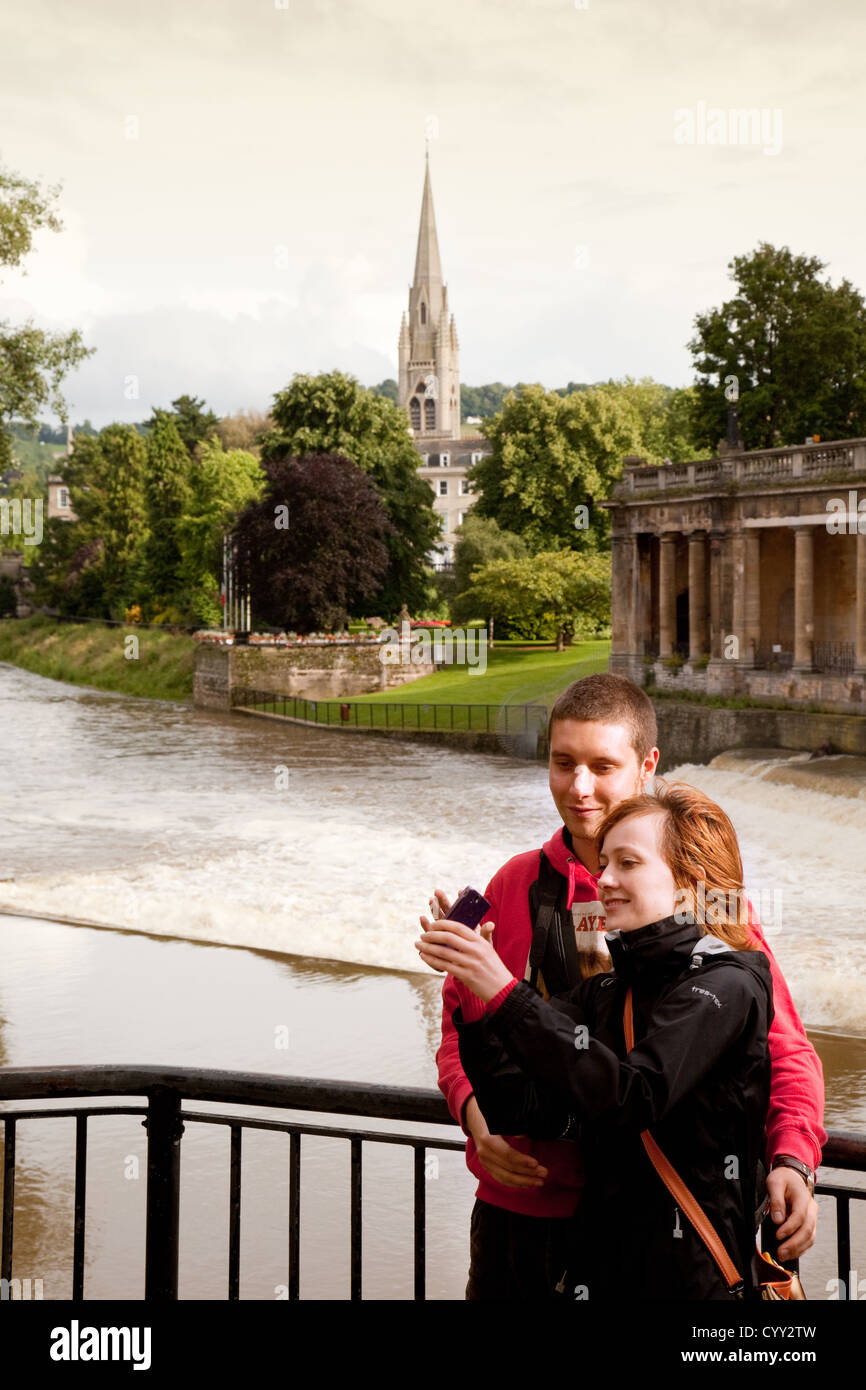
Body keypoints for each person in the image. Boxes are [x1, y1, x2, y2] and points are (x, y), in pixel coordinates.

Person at [429, 673, 824, 1300]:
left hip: (650, 1224)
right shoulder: (512, 884)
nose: (579, 788)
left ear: (646, 766)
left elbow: (783, 1048)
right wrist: (474, 1113)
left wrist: (792, 1156)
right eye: (563, 763)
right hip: (523, 1211)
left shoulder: (708, 903)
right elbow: (458, 1022)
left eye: (601, 766)